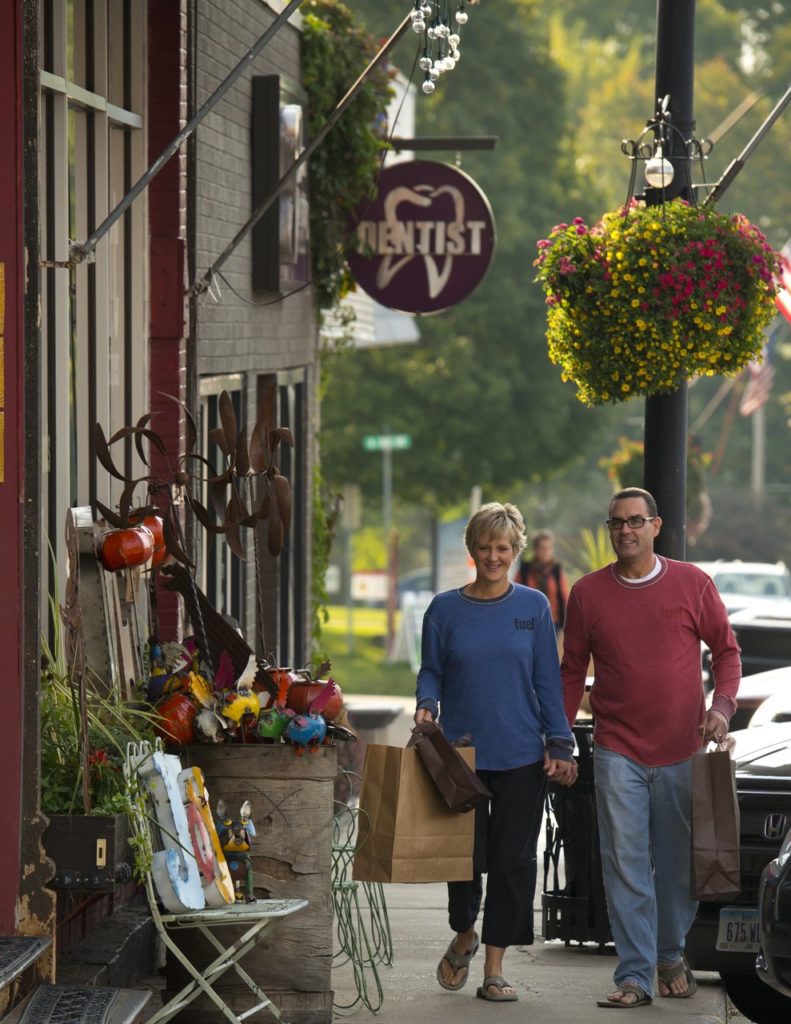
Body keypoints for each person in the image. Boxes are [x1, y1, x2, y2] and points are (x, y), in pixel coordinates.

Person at [561, 487, 741, 1009]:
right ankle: (635, 975)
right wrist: (559, 739)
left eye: (635, 521)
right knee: (625, 861)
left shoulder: (692, 583)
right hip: (617, 747)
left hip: (684, 748)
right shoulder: (588, 594)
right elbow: (572, 671)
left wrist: (722, 709)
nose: (626, 531)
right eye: (616, 522)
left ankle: (668, 952)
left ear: (656, 526)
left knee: (678, 863)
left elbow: (727, 653)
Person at [415, 501, 577, 1003]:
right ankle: (464, 932)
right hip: (462, 758)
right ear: (472, 549)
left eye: (502, 548)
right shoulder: (444, 609)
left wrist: (559, 741)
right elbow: (431, 670)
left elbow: (547, 681)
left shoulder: (532, 607)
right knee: (462, 861)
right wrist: (426, 704)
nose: (493, 556)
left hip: (522, 756)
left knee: (513, 862)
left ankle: (494, 966)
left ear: (515, 551)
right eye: (484, 547)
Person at [517, 528, 571, 635]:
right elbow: (516, 595)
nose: (546, 551)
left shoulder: (556, 570)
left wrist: (567, 622)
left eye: (549, 548)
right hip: (528, 623)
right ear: (536, 549)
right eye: (542, 548)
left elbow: (564, 596)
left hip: (553, 622)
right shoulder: (525, 570)